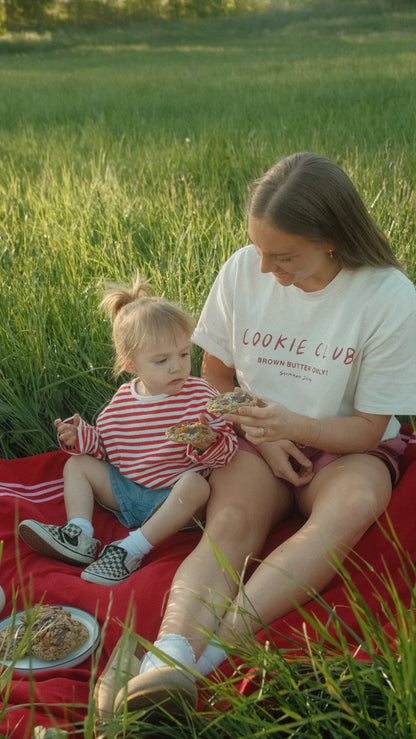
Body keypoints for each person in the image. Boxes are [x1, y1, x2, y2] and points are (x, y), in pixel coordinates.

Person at [94, 152, 416, 719]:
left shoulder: (388, 297)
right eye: (260, 250)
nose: (265, 269)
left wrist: (294, 425)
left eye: (283, 256)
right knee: (230, 524)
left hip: (350, 447)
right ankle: (169, 654)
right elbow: (217, 375)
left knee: (355, 504)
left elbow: (368, 427)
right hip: (255, 433)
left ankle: (201, 663)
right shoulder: (245, 268)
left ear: (333, 240)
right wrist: (265, 436)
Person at [19, 276, 238, 586]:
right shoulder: (123, 401)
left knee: (196, 486)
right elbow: (105, 448)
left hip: (173, 500)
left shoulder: (201, 395)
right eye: (162, 360)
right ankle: (78, 533)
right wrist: (79, 437)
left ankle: (130, 549)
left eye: (184, 354)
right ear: (131, 364)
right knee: (76, 463)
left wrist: (209, 442)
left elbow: (228, 450)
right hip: (127, 491)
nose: (177, 367)